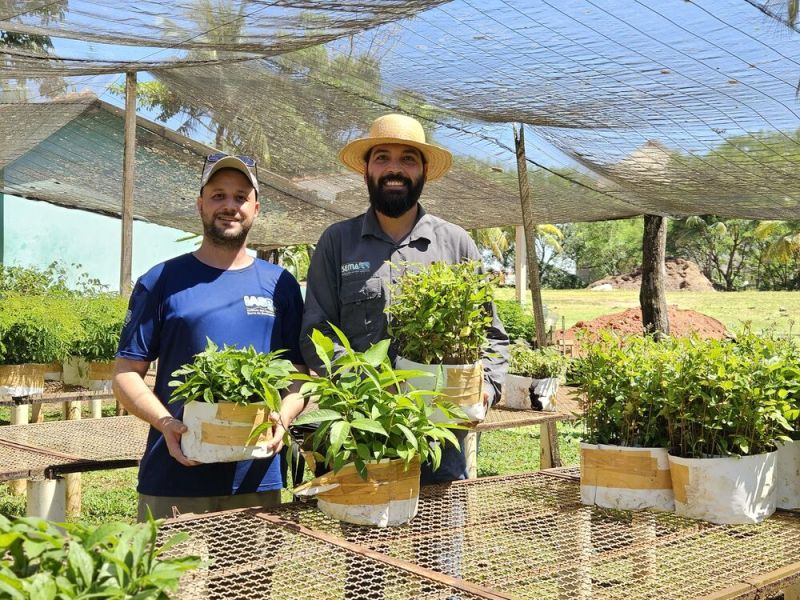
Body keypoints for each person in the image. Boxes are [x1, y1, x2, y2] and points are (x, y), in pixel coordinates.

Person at [300, 113, 508, 485]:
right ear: (366, 169)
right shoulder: (337, 242)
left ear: (424, 170)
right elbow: (316, 333)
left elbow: (490, 334)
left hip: (441, 436)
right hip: (361, 435)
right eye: (382, 157)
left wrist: (487, 390)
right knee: (362, 538)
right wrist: (365, 387)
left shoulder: (456, 243)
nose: (394, 169)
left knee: (441, 540)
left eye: (407, 159)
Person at [113, 153, 308, 521]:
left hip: (255, 478)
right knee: (164, 579)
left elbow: (298, 371)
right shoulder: (162, 280)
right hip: (175, 473)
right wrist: (166, 424)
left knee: (247, 580)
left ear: (256, 208)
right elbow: (126, 372)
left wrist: (283, 416)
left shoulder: (279, 284)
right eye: (218, 195)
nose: (229, 206)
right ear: (201, 203)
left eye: (240, 197)